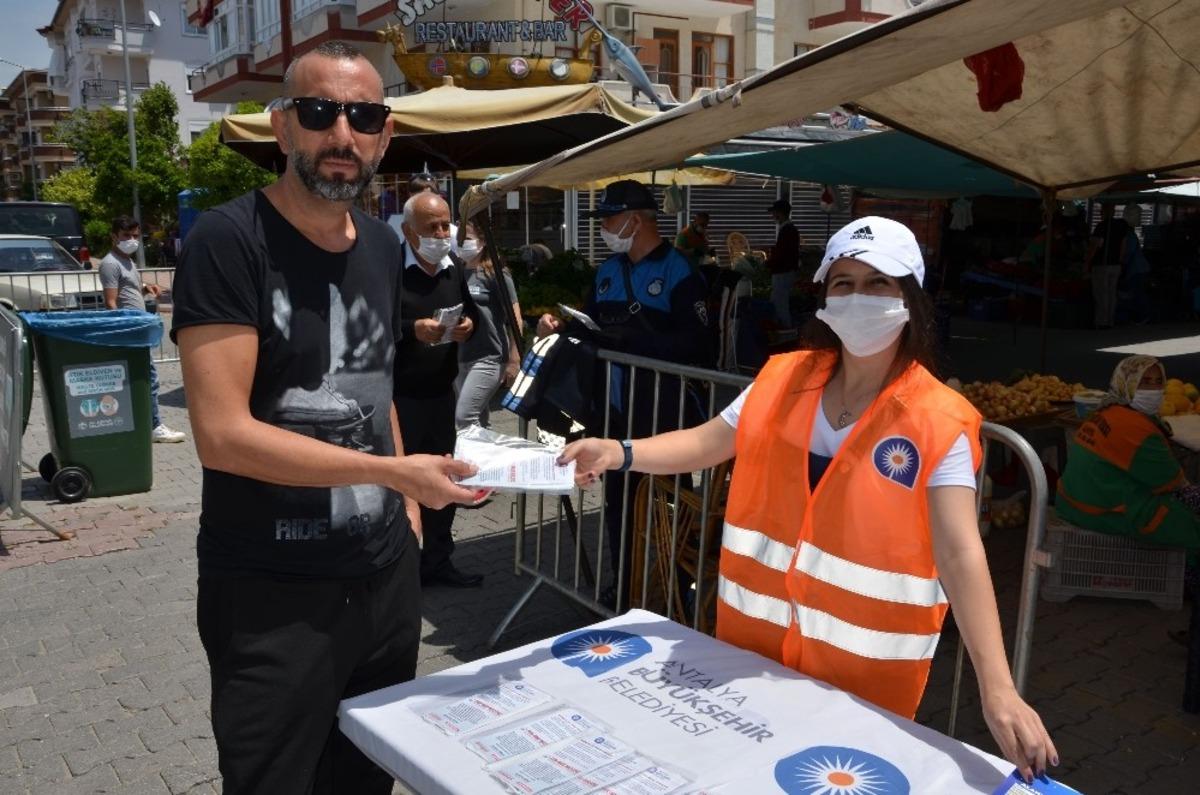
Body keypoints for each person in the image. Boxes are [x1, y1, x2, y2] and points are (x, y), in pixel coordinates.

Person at [559, 216, 1058, 783]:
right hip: (750, 655)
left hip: (866, 680)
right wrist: (618, 451)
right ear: (823, 295)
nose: (858, 297)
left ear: (911, 300)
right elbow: (707, 443)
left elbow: (960, 552)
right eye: (843, 283)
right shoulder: (783, 378)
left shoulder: (940, 419)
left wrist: (998, 689)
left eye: (879, 283)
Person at [171, 41, 478, 794]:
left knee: (368, 781)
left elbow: (377, 391)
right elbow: (221, 435)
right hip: (272, 596)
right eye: (319, 112)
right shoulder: (227, 241)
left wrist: (404, 504)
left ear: (385, 132)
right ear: (282, 127)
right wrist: (392, 474)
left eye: (364, 116)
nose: (342, 135)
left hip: (384, 583)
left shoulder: (379, 244)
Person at [537, 179, 713, 604]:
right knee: (619, 506)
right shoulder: (608, 271)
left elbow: (700, 344)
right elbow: (588, 324)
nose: (604, 227)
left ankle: (676, 589)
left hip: (662, 414)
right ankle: (626, 586)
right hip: (615, 414)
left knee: (667, 505)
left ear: (635, 220)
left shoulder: (679, 270)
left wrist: (631, 339)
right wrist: (557, 327)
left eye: (609, 218)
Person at [394, 190, 483, 588]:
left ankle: (439, 561)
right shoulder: (390, 271)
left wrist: (468, 327)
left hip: (440, 395)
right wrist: (411, 330)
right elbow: (371, 325)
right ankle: (404, 566)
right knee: (404, 485)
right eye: (432, 227)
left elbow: (473, 314)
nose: (442, 233)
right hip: (400, 398)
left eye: (446, 225)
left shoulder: (453, 269)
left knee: (444, 479)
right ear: (408, 233)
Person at [1058, 355, 1200, 551]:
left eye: (1159, 382)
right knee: (1186, 523)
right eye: (1145, 382)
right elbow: (1174, 482)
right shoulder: (1138, 429)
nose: (1153, 390)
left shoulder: (1105, 412)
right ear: (1127, 383)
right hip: (1099, 512)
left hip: (1071, 503)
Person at [98, 215, 186, 443]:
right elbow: (111, 302)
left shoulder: (127, 260)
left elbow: (131, 289)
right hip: (130, 331)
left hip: (138, 326)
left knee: (143, 377)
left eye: (135, 236)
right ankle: (155, 426)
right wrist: (123, 331)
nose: (132, 240)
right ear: (114, 236)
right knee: (149, 377)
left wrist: (146, 288)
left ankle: (141, 424)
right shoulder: (110, 263)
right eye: (126, 236)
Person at [455, 221, 522, 430]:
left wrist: (514, 359)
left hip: (489, 356)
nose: (461, 243)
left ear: (483, 241)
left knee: (464, 417)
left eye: (467, 238)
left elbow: (515, 317)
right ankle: (482, 462)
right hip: (459, 357)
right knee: (477, 421)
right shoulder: (455, 271)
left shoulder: (496, 274)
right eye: (459, 239)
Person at [1086, 203, 1129, 329]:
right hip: (1115, 265)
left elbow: (1094, 247)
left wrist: (1087, 262)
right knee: (1111, 294)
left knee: (1101, 294)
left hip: (1102, 264)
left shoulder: (1101, 226)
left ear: (1103, 212)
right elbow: (1123, 246)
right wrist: (1120, 261)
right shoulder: (1121, 226)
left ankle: (1101, 322)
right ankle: (1110, 321)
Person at [766, 199, 801, 328]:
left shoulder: (787, 230)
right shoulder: (788, 229)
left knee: (780, 304)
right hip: (786, 271)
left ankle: (785, 329)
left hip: (783, 271)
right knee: (777, 301)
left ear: (780, 213)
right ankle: (780, 327)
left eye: (774, 213)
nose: (773, 216)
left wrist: (768, 263)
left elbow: (783, 254)